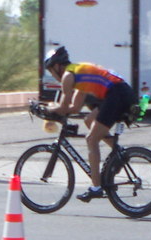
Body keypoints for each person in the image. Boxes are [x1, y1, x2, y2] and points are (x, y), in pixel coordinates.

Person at [44, 46, 136, 202]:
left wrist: (48, 109)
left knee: (91, 139)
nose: (53, 76)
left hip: (117, 94)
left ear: (57, 66)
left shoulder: (68, 77)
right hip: (119, 92)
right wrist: (56, 109)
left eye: (51, 71)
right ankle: (119, 154)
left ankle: (96, 188)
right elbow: (74, 108)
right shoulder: (78, 73)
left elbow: (63, 107)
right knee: (88, 120)